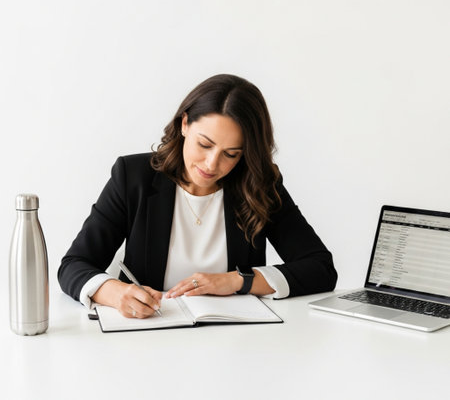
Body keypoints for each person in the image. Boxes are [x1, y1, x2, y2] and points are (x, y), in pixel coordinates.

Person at [58, 74, 337, 318]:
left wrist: (239, 281)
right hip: (149, 338)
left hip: (236, 343)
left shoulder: (259, 185)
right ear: (184, 124)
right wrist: (113, 292)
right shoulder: (133, 177)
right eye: (204, 144)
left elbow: (320, 268)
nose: (211, 164)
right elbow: (74, 265)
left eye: (231, 154)